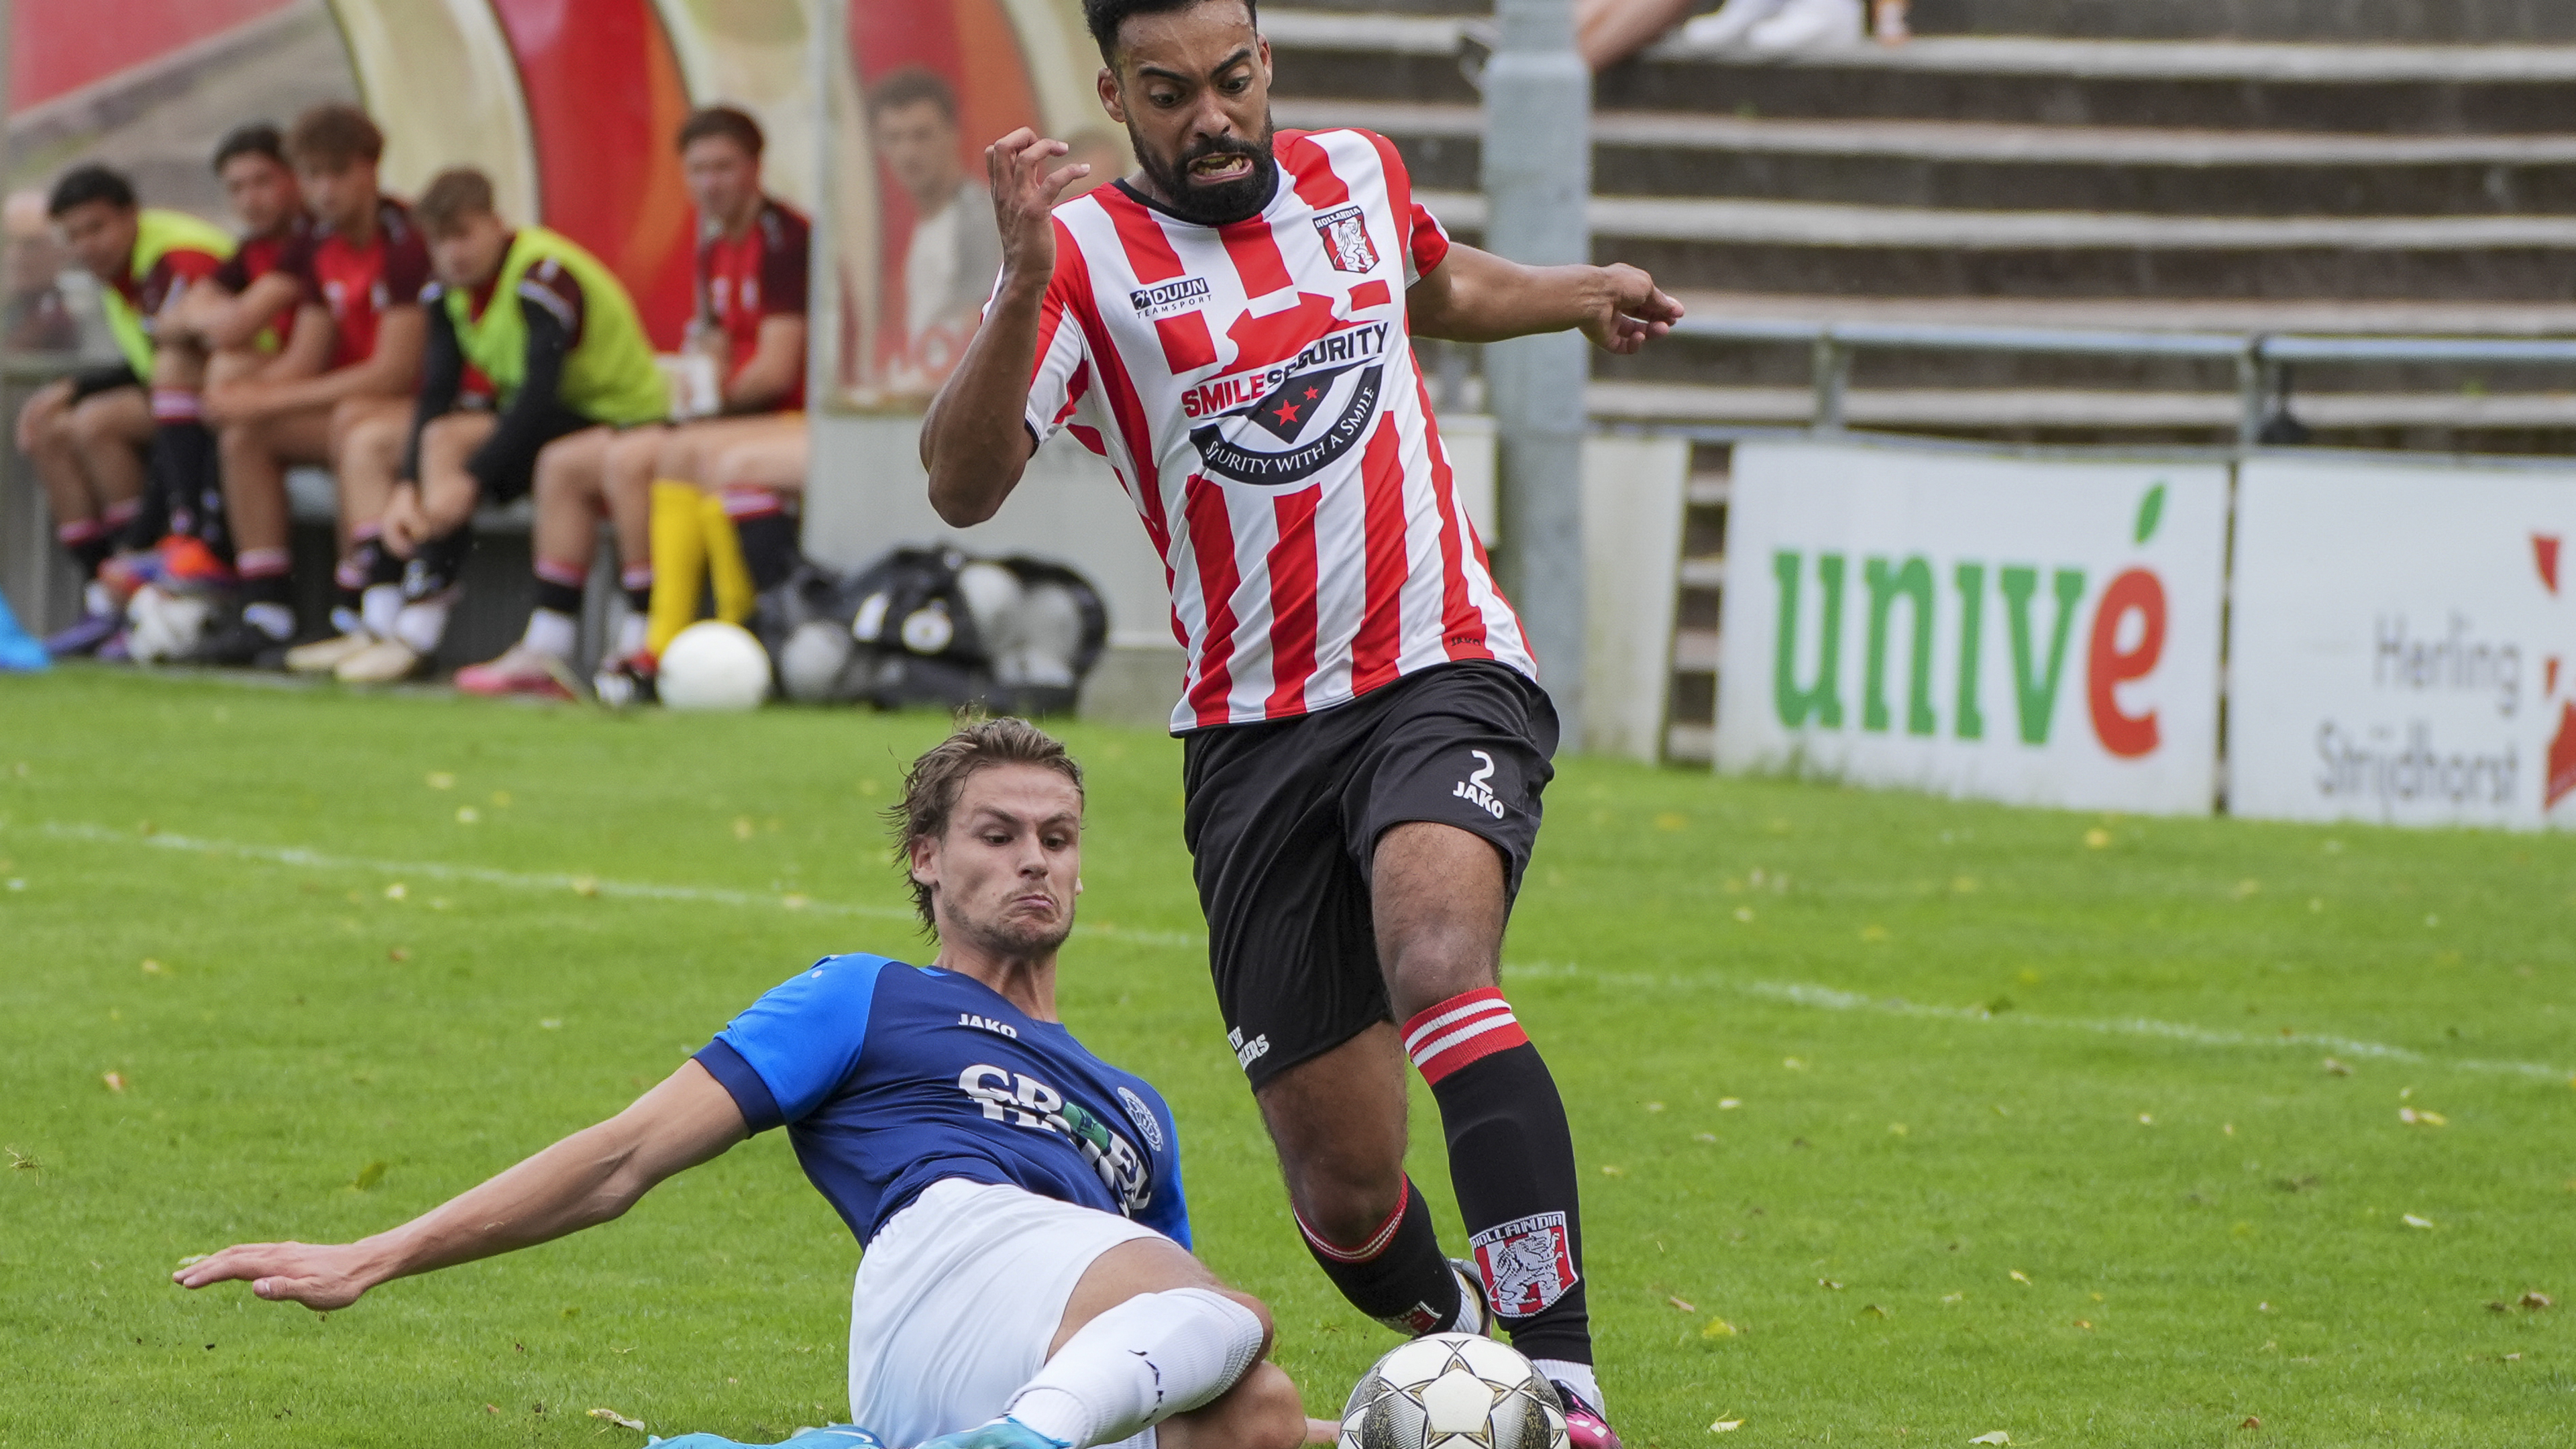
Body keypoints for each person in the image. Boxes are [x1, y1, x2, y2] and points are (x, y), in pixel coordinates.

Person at [919, 2, 1685, 1444]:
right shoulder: (1081, 263)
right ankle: (1463, 1344)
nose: (1211, 115)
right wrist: (1020, 280)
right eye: (1170, 93)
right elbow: (962, 486)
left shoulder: (1356, 176)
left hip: (1440, 664)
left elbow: (1438, 289)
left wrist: (1579, 290)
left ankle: (1565, 1380)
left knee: (1441, 956)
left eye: (1234, 79)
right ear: (1115, 95)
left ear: (1264, 65)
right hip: (1251, 735)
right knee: (1344, 1200)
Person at [174, 718, 1319, 1449]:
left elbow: (1173, 1359)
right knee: (1233, 1314)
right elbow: (624, 1157)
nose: (1035, 859)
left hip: (1040, 1370)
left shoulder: (1136, 1109)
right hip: (942, 1263)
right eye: (999, 833)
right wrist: (377, 1254)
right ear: (926, 857)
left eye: (1059, 838)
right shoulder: (864, 996)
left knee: (1257, 1414)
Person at [460, 104, 813, 702]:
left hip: (779, 420)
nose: (710, 183)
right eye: (698, 170)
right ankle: (548, 644)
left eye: (724, 167)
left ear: (757, 167)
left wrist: (707, 395)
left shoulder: (784, 241)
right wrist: (703, 372)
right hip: (726, 415)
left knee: (637, 460)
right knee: (562, 464)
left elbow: (776, 369)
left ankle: (658, 633)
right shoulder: (714, 243)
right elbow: (723, 350)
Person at [321, 166, 666, 686]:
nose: (454, 253)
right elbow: (436, 391)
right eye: (440, 241)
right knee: (425, 439)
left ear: (497, 225)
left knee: (543, 465)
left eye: (464, 235)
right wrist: (408, 488)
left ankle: (451, 634)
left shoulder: (542, 276)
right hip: (552, 419)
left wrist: (472, 477)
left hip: (618, 416)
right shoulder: (447, 290)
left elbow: (537, 394)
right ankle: (393, 621)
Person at [186, 104, 430, 667]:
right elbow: (304, 359)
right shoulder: (323, 244)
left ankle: (360, 609)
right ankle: (267, 608)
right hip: (361, 406)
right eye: (313, 174)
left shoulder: (406, 242)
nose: (325, 189)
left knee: (352, 427)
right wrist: (244, 399)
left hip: (418, 411)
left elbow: (392, 372)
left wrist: (266, 396)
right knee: (247, 434)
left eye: (338, 172)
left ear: (371, 169)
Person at [15, 164, 232, 655]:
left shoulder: (175, 257)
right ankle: (105, 592)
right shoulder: (119, 274)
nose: (88, 245)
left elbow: (185, 359)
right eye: (74, 236)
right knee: (51, 429)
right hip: (184, 396)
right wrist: (70, 388)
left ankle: (148, 557)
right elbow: (146, 362)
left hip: (233, 393)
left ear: (131, 216)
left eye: (97, 228)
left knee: (97, 423)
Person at [871, 68, 1000, 396]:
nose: (908, 153)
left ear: (954, 133)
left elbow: (982, 332)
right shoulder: (923, 224)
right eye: (894, 138)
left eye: (921, 135)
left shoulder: (977, 219)